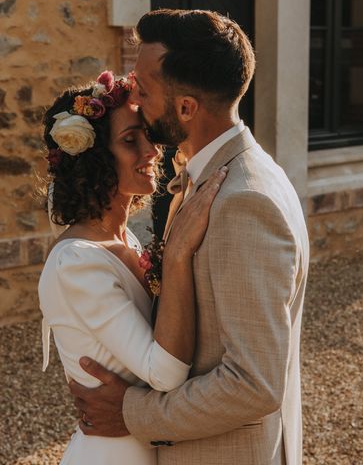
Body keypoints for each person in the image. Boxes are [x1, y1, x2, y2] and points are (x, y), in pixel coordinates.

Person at [68, 9, 310, 465]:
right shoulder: (210, 174)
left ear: (185, 108)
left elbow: (253, 383)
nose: (132, 97)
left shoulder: (242, 202)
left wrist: (132, 413)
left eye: (143, 87)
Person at [38, 71, 227, 465]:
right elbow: (166, 374)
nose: (151, 151)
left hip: (149, 443)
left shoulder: (127, 240)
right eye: (129, 141)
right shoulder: (76, 263)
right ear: (94, 161)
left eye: (147, 136)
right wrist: (176, 256)